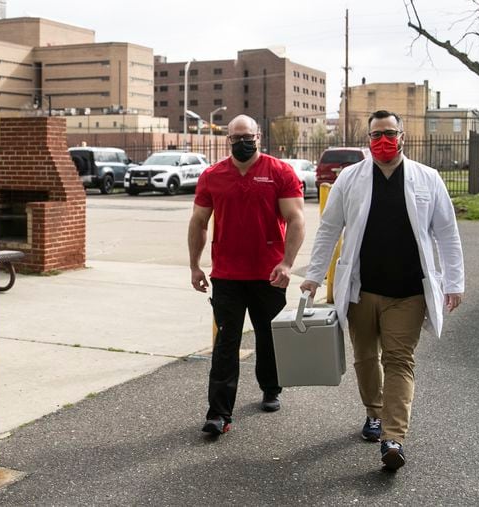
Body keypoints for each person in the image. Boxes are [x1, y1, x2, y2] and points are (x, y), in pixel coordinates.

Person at [300, 110, 464, 471]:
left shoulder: (427, 178)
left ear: (402, 136)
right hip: (361, 289)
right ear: (368, 140)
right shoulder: (350, 178)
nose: (383, 140)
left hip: (409, 292)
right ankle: (374, 414)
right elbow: (329, 229)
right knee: (365, 358)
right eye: (376, 135)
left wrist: (454, 282)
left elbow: (447, 233)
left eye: (389, 133)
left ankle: (393, 437)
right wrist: (313, 276)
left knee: (399, 360)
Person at [188, 114, 305, 436]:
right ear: (228, 139)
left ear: (259, 136)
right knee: (226, 342)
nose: (242, 142)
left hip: (269, 273)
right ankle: (219, 414)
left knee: (269, 338)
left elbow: (296, 219)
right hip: (226, 274)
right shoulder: (213, 175)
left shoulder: (279, 171)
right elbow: (198, 222)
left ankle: (271, 387)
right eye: (236, 137)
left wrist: (287, 263)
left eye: (247, 136)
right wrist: (195, 265)